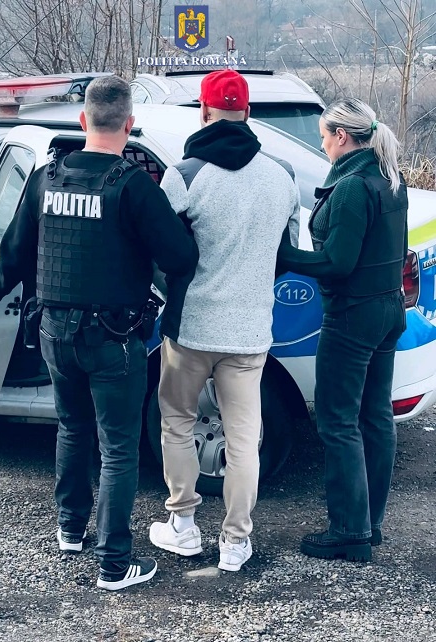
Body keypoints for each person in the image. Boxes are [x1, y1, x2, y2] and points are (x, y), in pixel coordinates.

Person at [0, 76, 199, 590]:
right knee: (117, 449)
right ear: (129, 124)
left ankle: (71, 530)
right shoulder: (133, 187)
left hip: (54, 333)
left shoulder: (45, 178)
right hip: (113, 340)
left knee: (72, 429)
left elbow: (14, 254)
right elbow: (180, 257)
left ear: (83, 120)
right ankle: (114, 564)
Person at [148, 69, 300, 571]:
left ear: (204, 112)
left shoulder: (184, 175)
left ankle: (183, 524)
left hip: (190, 328)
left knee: (177, 423)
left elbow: (161, 249)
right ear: (247, 113)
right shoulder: (282, 176)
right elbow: (285, 252)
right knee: (243, 439)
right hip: (250, 332)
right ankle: (236, 541)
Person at [277, 98, 408, 562]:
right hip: (388, 310)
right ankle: (369, 524)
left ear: (342, 136)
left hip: (352, 316)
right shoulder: (389, 177)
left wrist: (283, 254)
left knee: (337, 420)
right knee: (375, 416)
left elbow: (337, 262)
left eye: (324, 136)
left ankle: (349, 531)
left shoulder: (352, 187)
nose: (322, 145)